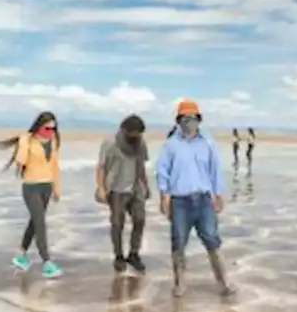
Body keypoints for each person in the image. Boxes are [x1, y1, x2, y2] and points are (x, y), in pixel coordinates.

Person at [156, 99, 235, 297]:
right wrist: (163, 196)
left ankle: (223, 283)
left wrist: (218, 194)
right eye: (184, 118)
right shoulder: (171, 145)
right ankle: (180, 284)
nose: (188, 122)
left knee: (212, 241)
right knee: (179, 243)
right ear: (178, 121)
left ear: (199, 120)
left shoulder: (208, 143)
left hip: (204, 201)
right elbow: (162, 171)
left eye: (192, 118)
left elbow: (215, 170)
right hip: (179, 202)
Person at [0, 111, 63, 279]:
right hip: (31, 187)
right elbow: (21, 161)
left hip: (46, 186)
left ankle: (22, 255)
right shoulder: (28, 141)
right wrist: (24, 141)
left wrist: (56, 189)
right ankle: (47, 262)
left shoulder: (53, 142)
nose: (50, 132)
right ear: (38, 127)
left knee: (34, 223)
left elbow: (54, 166)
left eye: (53, 129)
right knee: (40, 222)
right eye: (47, 128)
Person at [95, 114, 150, 273]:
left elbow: (141, 166)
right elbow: (101, 167)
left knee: (140, 220)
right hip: (116, 190)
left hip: (135, 189)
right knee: (117, 224)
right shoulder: (110, 143)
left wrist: (146, 186)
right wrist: (101, 188)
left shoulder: (141, 143)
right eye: (134, 133)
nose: (137, 136)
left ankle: (134, 254)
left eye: (139, 134)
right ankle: (118, 256)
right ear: (125, 131)